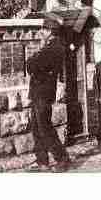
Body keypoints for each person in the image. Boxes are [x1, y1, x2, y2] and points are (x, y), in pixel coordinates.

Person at [26, 29, 71, 172]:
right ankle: (42, 161)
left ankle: (62, 158)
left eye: (43, 29)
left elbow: (32, 65)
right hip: (37, 93)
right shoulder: (47, 47)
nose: (40, 32)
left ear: (50, 31)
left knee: (45, 128)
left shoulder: (54, 48)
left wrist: (33, 59)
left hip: (43, 93)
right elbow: (33, 66)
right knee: (37, 128)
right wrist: (34, 59)